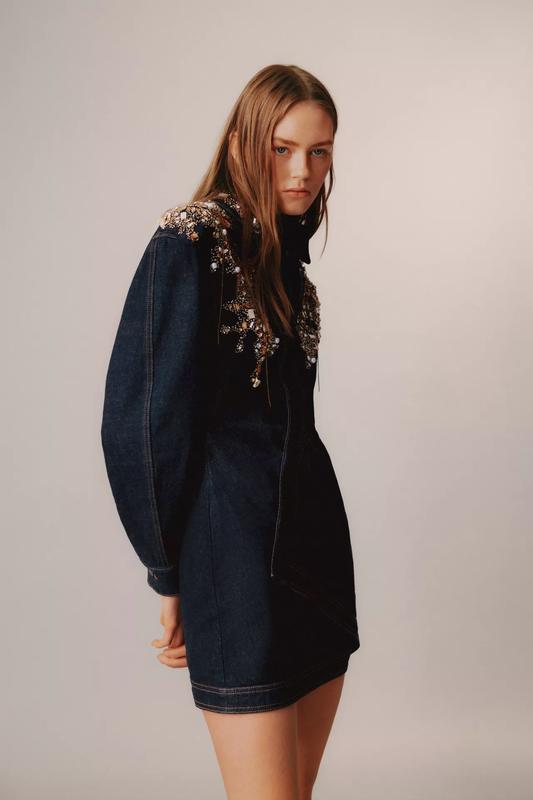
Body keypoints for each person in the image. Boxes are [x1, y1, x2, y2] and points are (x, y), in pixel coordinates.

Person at [100, 63, 361, 800]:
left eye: (319, 151)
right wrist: (167, 571)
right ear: (247, 141)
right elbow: (142, 425)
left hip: (316, 559)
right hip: (237, 564)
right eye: (283, 149)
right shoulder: (188, 244)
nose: (303, 171)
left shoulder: (293, 274)